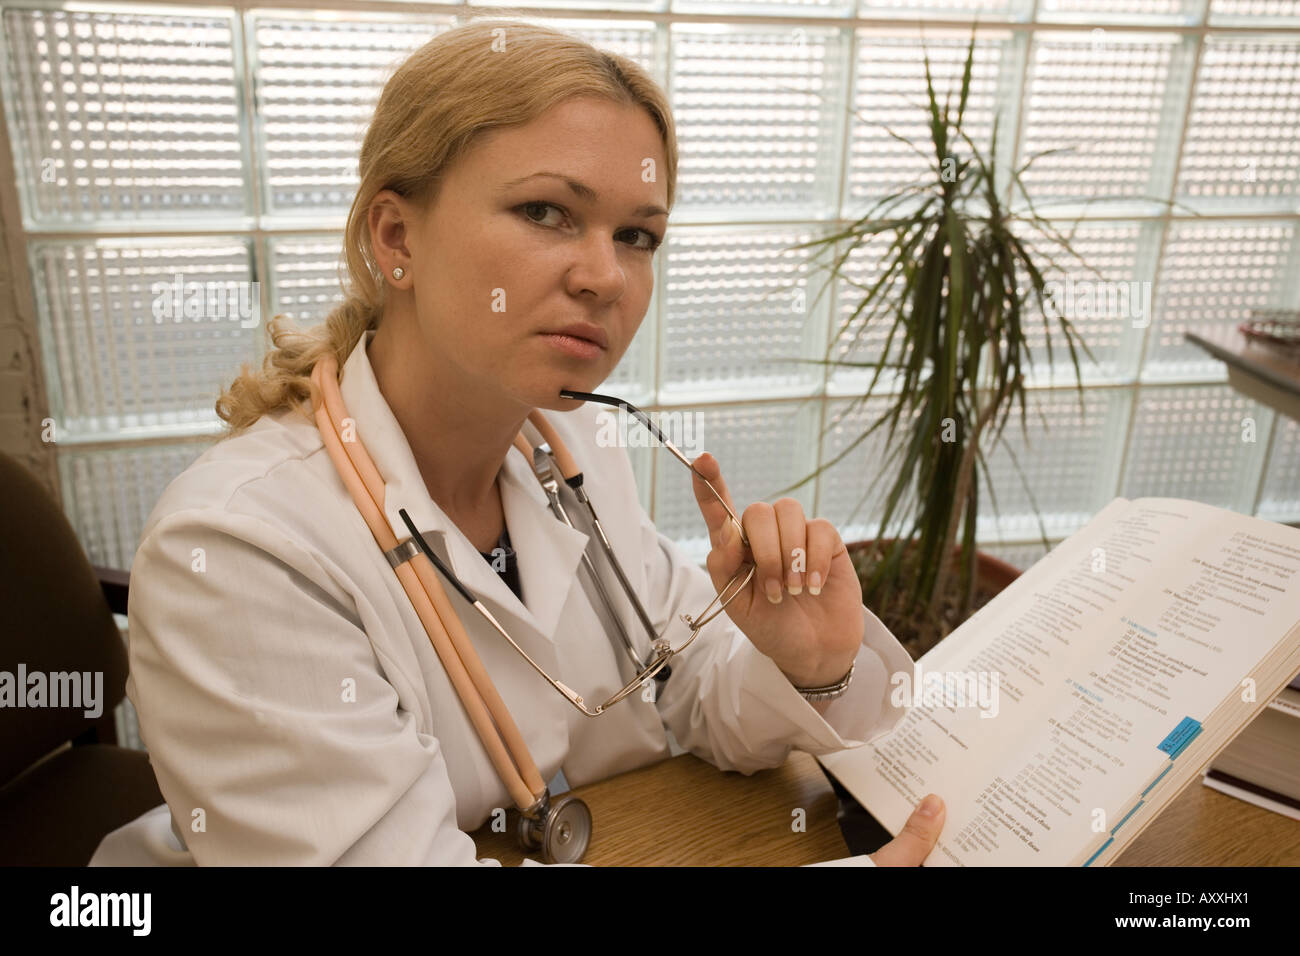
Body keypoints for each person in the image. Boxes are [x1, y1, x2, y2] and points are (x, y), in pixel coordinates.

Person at [89, 17, 945, 867]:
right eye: (546, 211)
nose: (605, 276)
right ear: (396, 238)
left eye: (637, 236)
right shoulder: (241, 549)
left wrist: (811, 661)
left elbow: (680, 693)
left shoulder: (570, 445)